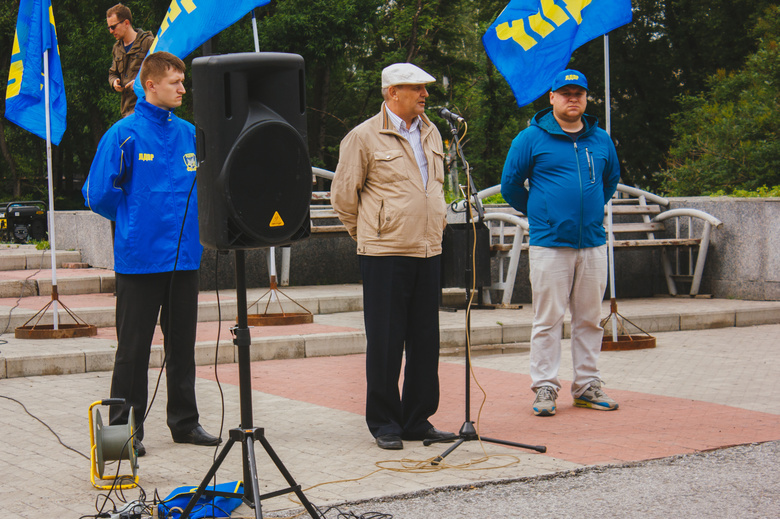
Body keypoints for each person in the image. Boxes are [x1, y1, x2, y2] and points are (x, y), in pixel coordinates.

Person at [83, 51, 219, 456]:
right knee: (133, 350)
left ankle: (185, 423)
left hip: (184, 259)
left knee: (183, 347)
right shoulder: (123, 134)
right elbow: (97, 193)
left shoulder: (191, 134)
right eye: (175, 82)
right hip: (140, 259)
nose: (182, 88)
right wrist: (134, 218)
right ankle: (122, 433)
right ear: (150, 85)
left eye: (183, 82)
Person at [331, 63, 455, 450]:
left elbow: (433, 187)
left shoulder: (432, 132)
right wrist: (370, 233)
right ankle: (384, 422)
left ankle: (417, 419)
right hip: (385, 253)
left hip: (428, 249)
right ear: (391, 93)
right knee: (385, 342)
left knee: (425, 340)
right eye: (415, 88)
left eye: (425, 87)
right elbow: (343, 197)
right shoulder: (363, 137)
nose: (425, 95)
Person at [501, 69, 621, 417]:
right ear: (551, 97)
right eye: (565, 93)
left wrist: (593, 209)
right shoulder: (531, 138)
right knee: (548, 319)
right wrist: (543, 214)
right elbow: (511, 185)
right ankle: (545, 389)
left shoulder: (600, 139)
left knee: (589, 318)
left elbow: (610, 180)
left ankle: (587, 386)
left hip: (592, 243)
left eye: (579, 93)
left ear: (586, 98)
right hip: (550, 243)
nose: (573, 99)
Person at [107, 3, 154, 117]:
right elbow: (112, 73)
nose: (111, 31)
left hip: (147, 109)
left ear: (126, 23)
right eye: (109, 28)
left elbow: (161, 74)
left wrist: (139, 83)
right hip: (126, 112)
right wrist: (114, 81)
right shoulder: (117, 48)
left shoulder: (148, 43)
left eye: (113, 27)